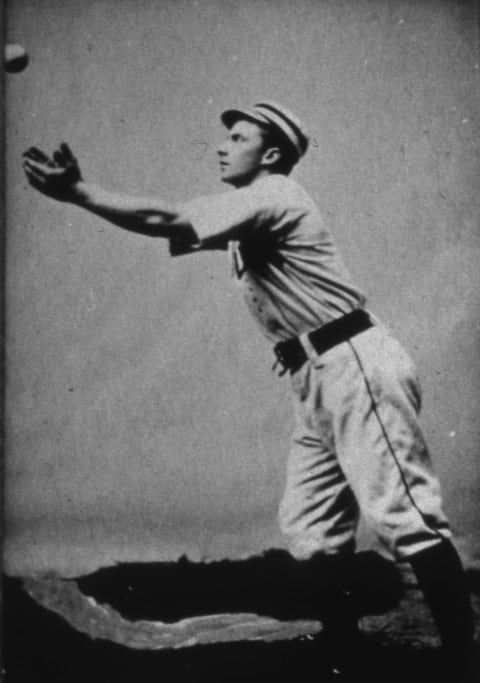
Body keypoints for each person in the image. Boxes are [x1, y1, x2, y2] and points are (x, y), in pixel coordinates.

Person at [22, 101, 475, 673]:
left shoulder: (276, 194)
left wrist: (79, 191)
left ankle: (465, 660)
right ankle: (342, 643)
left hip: (355, 362)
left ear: (273, 154)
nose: (221, 145)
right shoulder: (252, 208)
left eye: (237, 138)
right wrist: (86, 197)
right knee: (311, 524)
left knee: (402, 515)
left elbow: (169, 218)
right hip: (315, 374)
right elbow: (169, 225)